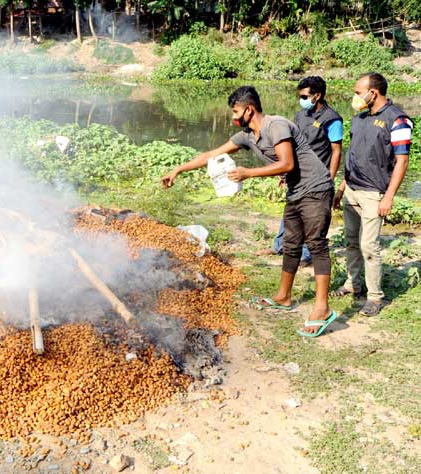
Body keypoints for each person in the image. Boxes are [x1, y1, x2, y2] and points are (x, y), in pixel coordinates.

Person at [161, 86, 337, 337]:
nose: (233, 116)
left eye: (235, 111)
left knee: (316, 244)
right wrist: (179, 169)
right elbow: (212, 154)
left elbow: (287, 163)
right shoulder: (247, 135)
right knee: (291, 243)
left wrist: (248, 173)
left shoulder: (276, 126)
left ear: (249, 109)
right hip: (296, 191)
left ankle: (322, 308)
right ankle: (284, 296)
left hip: (316, 188)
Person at [333, 72, 414, 316]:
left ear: (373, 93)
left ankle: (375, 296)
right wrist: (342, 187)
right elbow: (353, 156)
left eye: (358, 92)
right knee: (350, 241)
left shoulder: (397, 120)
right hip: (352, 190)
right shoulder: (360, 119)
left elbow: (402, 161)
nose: (355, 97)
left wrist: (388, 197)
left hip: (374, 193)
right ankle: (353, 283)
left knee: (369, 245)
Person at [263, 76, 343, 265]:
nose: (302, 99)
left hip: (317, 177)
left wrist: (329, 179)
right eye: (300, 96)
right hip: (297, 173)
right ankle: (280, 245)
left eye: (305, 96)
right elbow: (291, 145)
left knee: (311, 216)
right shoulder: (301, 115)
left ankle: (306, 255)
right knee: (290, 209)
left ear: (318, 95)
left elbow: (336, 151)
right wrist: (284, 172)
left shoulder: (332, 119)